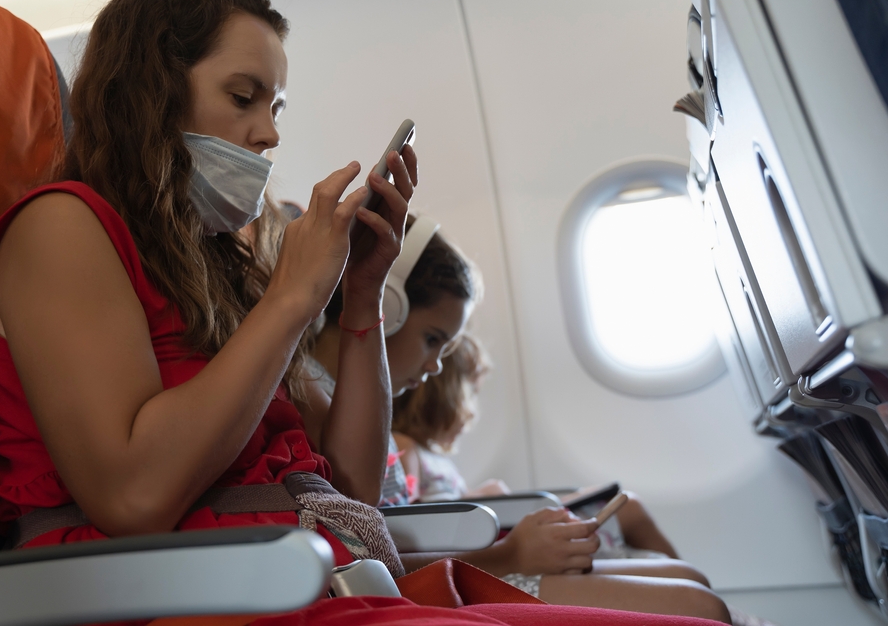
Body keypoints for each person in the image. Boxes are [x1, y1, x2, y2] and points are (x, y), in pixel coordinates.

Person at [0, 0, 725, 626]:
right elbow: (133, 497)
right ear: (151, 93)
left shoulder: (210, 267)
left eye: (276, 108)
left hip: (312, 582)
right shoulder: (62, 229)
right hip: (198, 597)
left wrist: (359, 296)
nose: (267, 134)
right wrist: (291, 299)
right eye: (243, 96)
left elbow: (356, 486)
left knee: (699, 609)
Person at [309, 218, 730, 623]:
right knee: (699, 603)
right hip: (440, 580)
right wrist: (510, 555)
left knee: (690, 580)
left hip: (454, 568)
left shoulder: (355, 411)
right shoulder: (317, 405)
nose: (436, 365)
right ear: (389, 308)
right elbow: (365, 556)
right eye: (432, 339)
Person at [393, 333, 680, 560]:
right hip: (491, 539)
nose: (472, 412)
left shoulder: (438, 459)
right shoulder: (406, 447)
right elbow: (412, 516)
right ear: (444, 395)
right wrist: (477, 496)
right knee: (630, 509)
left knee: (628, 505)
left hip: (495, 529)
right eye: (471, 395)